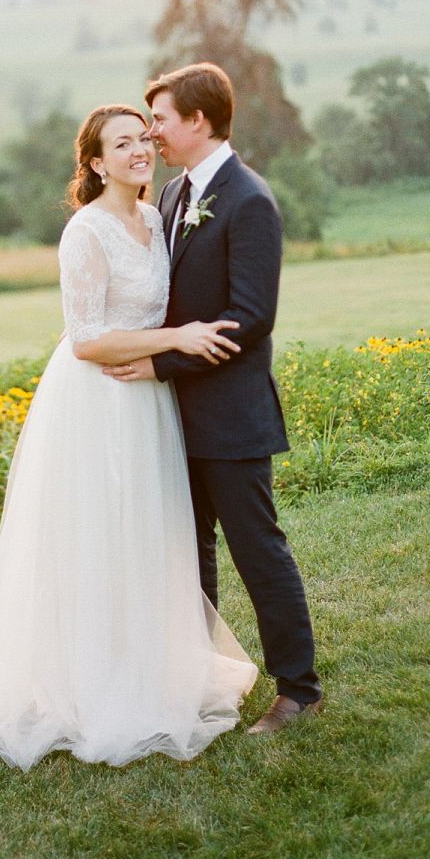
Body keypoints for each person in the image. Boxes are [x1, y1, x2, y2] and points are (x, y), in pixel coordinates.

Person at [0, 104, 257, 770]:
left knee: (146, 532)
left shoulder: (156, 218)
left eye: (143, 139)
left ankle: (148, 667)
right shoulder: (86, 232)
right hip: (97, 402)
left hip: (148, 399)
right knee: (96, 534)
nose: (138, 151)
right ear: (96, 163)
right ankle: (90, 685)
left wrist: (171, 351)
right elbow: (88, 340)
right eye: (121, 144)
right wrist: (177, 338)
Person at [104, 63, 324, 734]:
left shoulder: (248, 200)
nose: (152, 134)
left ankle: (299, 689)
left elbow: (249, 317)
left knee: (257, 549)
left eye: (161, 120)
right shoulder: (174, 193)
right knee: (188, 552)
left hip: (231, 415)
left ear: (198, 121)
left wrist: (159, 362)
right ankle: (197, 675)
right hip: (175, 416)